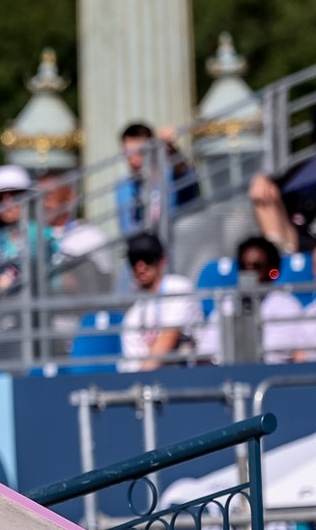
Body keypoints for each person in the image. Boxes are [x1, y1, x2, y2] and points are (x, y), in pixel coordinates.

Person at [194, 236, 315, 365]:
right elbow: (206, 352)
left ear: (272, 270)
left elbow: (273, 356)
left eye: (257, 266)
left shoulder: (286, 306)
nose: (249, 272)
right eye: (244, 266)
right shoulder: (227, 303)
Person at [0, 165, 57, 300]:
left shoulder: (44, 234)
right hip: (0, 314)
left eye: (15, 196)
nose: (7, 204)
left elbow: (55, 281)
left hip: (38, 311)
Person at [118, 232, 201, 373]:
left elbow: (167, 339)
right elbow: (136, 369)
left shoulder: (179, 287)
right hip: (155, 384)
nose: (140, 267)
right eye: (134, 260)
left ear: (162, 260)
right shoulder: (132, 316)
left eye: (147, 258)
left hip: (194, 374)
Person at [115, 122, 198, 238]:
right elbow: (128, 229)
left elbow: (184, 172)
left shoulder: (171, 176)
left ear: (153, 150)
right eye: (128, 153)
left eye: (140, 152)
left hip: (178, 246)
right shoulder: (125, 185)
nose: (133, 160)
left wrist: (170, 147)